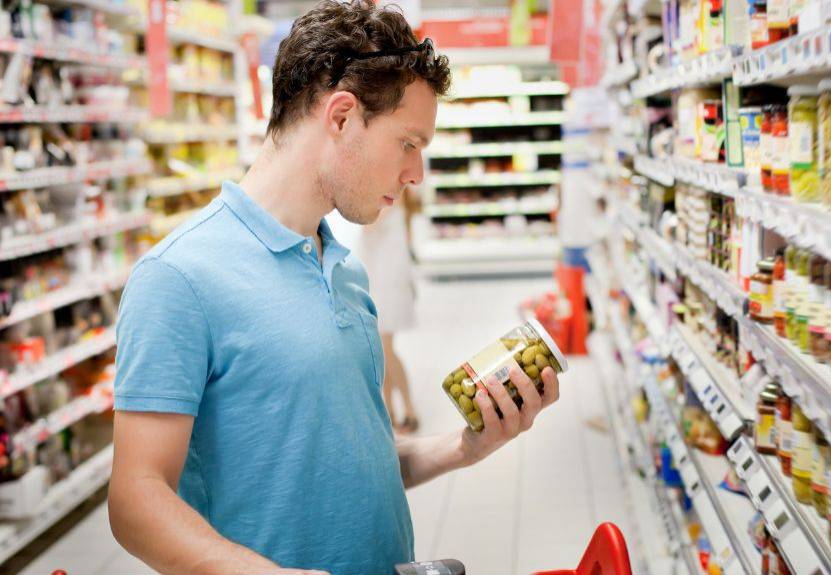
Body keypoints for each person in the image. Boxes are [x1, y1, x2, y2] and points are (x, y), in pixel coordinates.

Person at [107, 3, 562, 575]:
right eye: (408, 143)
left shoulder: (342, 267)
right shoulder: (179, 277)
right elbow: (135, 500)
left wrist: (463, 448)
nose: (416, 172)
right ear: (342, 116)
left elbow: (347, 460)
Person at [356, 194, 420, 433]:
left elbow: (368, 226)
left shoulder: (390, 196)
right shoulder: (391, 196)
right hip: (380, 280)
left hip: (388, 284)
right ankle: (390, 409)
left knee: (384, 349)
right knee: (381, 348)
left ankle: (409, 409)